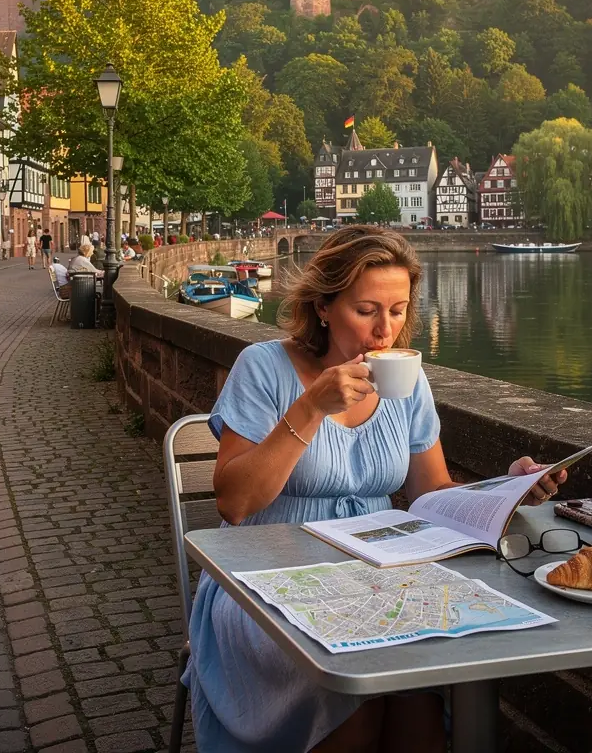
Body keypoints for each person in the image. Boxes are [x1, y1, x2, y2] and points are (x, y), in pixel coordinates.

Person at [186, 225, 568, 753]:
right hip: (263, 584)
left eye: (398, 310)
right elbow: (234, 503)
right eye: (366, 311)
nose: (384, 330)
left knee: (416, 700)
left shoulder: (406, 379)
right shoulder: (264, 369)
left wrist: (508, 489)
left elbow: (432, 492)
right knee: (354, 703)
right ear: (324, 306)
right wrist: (311, 407)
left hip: (376, 580)